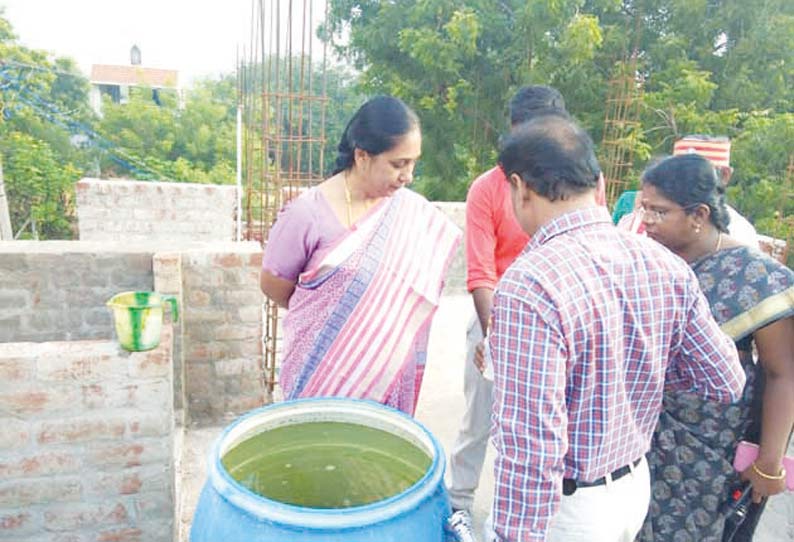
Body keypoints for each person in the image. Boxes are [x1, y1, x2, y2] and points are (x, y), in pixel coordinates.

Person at [488, 115, 746, 542]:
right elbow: (725, 380)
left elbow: (532, 447)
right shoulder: (664, 262)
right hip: (632, 490)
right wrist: (640, 369)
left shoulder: (530, 283)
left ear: (520, 188)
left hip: (569, 510)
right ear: (599, 183)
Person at [259, 95, 461, 415]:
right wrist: (332, 313)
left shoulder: (408, 211)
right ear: (363, 156)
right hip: (317, 372)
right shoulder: (307, 213)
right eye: (398, 164)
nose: (408, 176)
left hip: (384, 380)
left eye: (413, 163)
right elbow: (274, 285)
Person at [637, 153, 794, 542]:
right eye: (645, 209)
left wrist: (769, 462)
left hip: (709, 453)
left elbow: (782, 372)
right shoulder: (645, 260)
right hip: (636, 440)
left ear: (698, 214)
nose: (647, 221)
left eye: (660, 211)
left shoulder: (755, 276)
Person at [447, 85, 567, 518]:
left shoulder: (577, 184)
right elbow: (480, 271)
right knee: (480, 420)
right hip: (495, 316)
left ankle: (524, 512)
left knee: (540, 426)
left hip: (560, 321)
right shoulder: (488, 187)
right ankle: (458, 504)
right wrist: (498, 338)